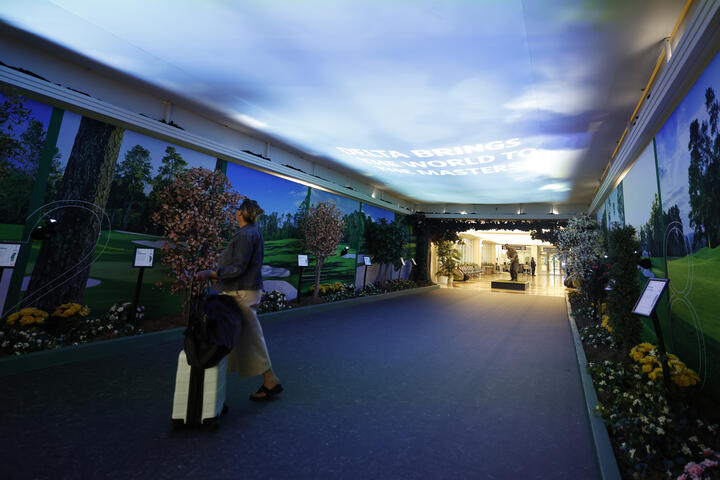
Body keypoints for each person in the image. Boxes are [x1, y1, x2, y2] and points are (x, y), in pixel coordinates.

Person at [196, 199, 282, 401]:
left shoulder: (246, 235)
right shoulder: (251, 233)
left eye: (236, 210)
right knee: (242, 337)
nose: (235, 212)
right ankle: (214, 389)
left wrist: (211, 273)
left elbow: (238, 268)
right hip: (243, 290)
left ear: (241, 213)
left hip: (241, 292)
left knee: (247, 337)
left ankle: (269, 379)